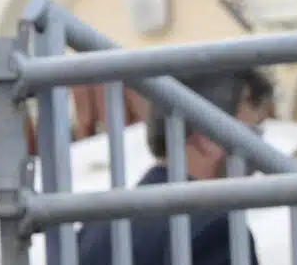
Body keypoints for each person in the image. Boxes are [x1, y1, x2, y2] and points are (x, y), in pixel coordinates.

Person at [74, 69, 274, 265]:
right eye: (253, 133)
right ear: (209, 135)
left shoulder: (93, 230)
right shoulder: (217, 231)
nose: (258, 150)